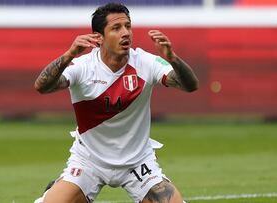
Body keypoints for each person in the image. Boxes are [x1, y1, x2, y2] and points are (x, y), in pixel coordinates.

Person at [33, 2, 198, 203]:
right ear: (98, 37)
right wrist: (69, 55)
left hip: (137, 163)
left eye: (128, 26)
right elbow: (42, 86)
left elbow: (190, 85)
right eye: (116, 28)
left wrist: (173, 58)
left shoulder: (145, 62)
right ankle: (58, 189)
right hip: (89, 161)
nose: (125, 33)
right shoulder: (82, 66)